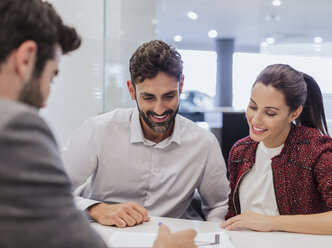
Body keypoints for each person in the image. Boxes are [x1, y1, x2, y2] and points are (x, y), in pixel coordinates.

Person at [0, 1, 196, 247]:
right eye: (51, 75)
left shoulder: (201, 142)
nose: (46, 100)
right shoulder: (16, 129)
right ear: (26, 59)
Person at [62, 40, 230, 227]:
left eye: (169, 96)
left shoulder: (204, 144)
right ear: (132, 90)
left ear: (181, 85)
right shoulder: (99, 131)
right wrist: (97, 209)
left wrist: (216, 237)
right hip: (104, 236)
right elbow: (50, 191)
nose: (159, 110)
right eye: (148, 97)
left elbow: (219, 206)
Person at [220, 64, 332, 235]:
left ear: (294, 113)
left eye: (270, 113)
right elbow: (234, 217)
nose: (255, 120)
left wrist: (270, 222)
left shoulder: (314, 148)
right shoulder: (241, 151)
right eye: (253, 107)